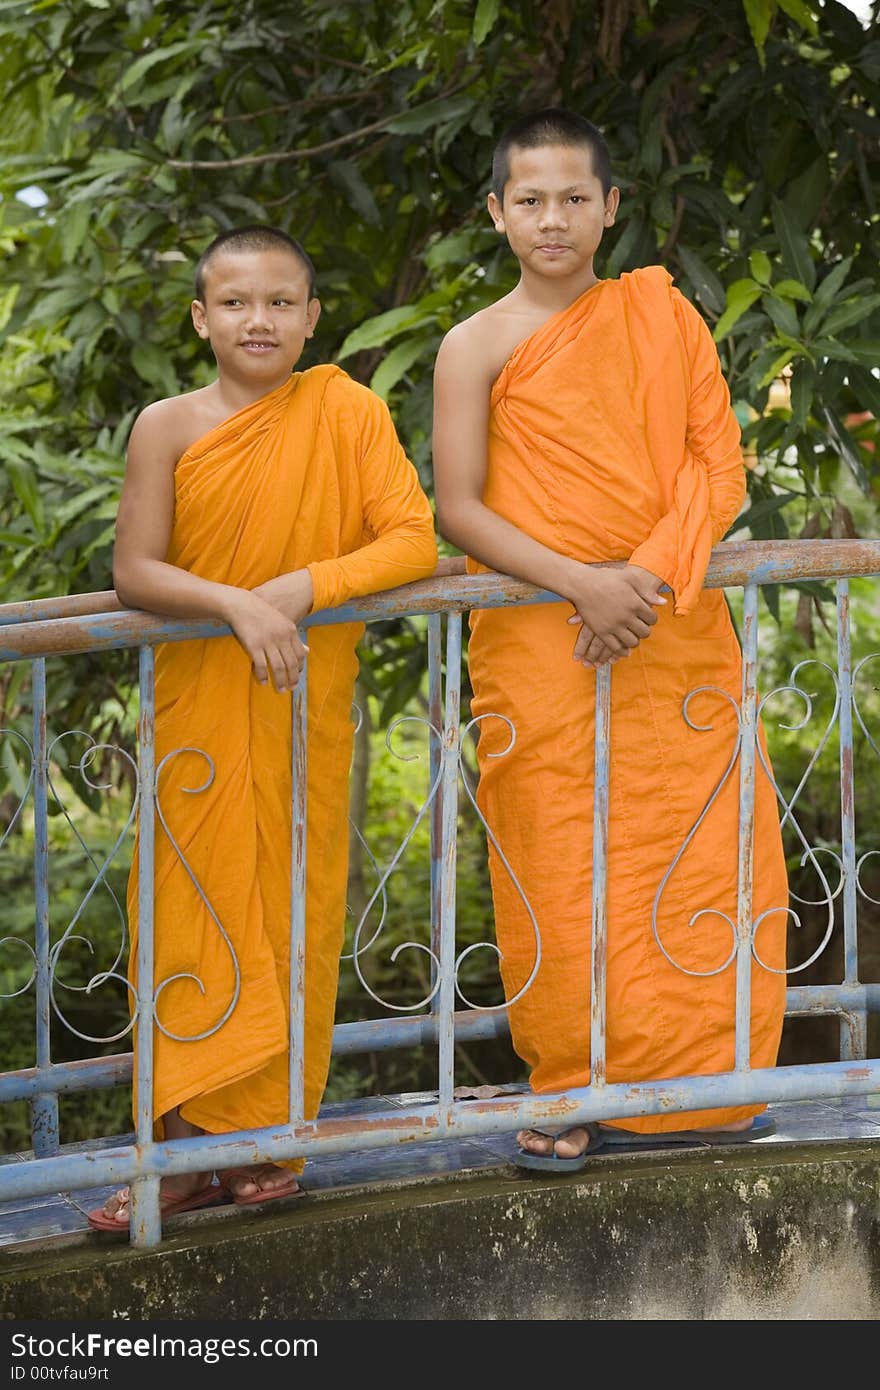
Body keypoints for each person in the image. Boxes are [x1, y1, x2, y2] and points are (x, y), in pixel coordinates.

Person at [431, 109, 788, 1170]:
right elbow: (459, 507)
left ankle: (706, 1089)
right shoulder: (474, 343)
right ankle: (573, 1085)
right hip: (546, 636)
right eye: (529, 200)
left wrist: (635, 579)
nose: (552, 218)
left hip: (667, 626)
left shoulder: (660, 318)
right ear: (497, 214)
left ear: (610, 208)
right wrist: (582, 584)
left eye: (573, 198)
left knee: (697, 856)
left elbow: (713, 466)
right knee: (558, 859)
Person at [89, 225, 437, 1230]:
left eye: (281, 302)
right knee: (190, 919)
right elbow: (135, 572)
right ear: (200, 318)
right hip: (200, 712)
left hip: (298, 706)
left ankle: (262, 1145)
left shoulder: (347, 409)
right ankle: (182, 1154)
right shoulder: (167, 424)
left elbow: (411, 536)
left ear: (313, 316)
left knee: (292, 911)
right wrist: (241, 605)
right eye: (236, 303)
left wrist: (299, 586)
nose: (259, 320)